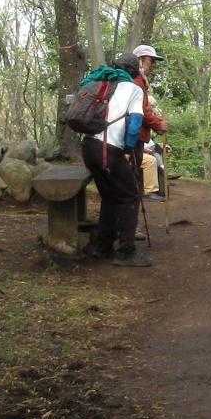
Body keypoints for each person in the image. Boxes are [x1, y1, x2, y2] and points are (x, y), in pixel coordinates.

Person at [80, 52, 151, 266]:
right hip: (109, 149)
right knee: (130, 196)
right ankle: (126, 251)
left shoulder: (102, 84)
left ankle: (102, 247)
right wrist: (128, 149)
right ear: (134, 71)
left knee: (110, 196)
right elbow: (135, 123)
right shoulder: (134, 89)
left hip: (89, 146)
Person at [130, 44, 171, 202]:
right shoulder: (136, 82)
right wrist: (159, 124)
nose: (153, 65)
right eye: (151, 60)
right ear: (140, 60)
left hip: (135, 136)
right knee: (130, 175)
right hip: (132, 137)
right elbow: (141, 111)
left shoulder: (139, 81)